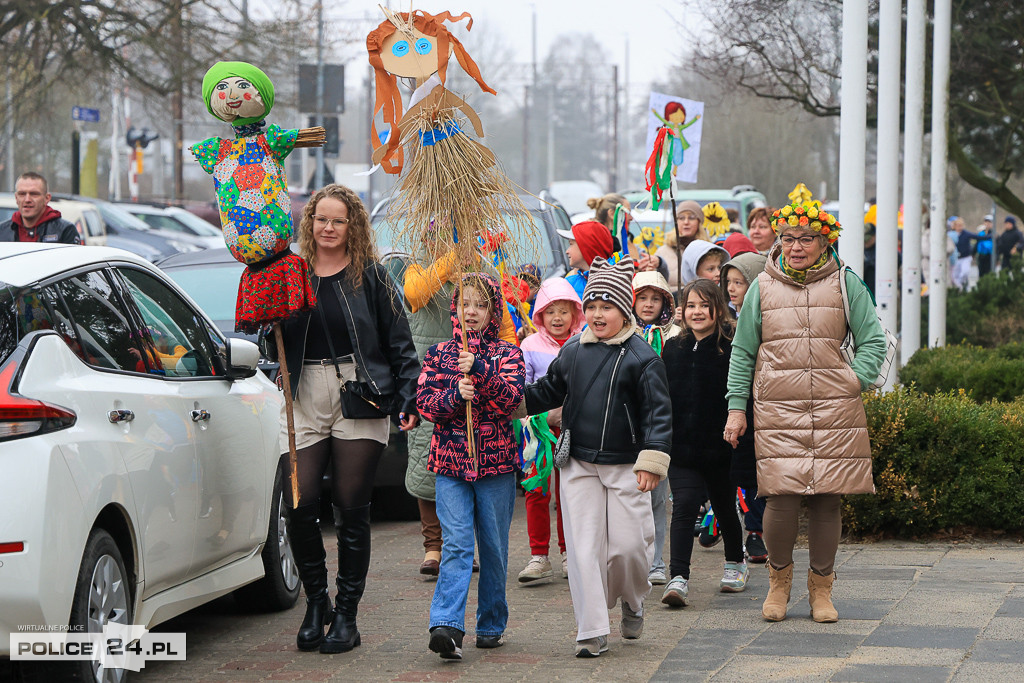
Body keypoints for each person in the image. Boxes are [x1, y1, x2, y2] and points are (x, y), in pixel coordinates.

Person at [269, 184, 421, 654]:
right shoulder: (291, 273)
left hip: (360, 392)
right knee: (299, 502)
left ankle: (347, 615)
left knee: (351, 507)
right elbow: (269, 336)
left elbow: (400, 343)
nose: (329, 228)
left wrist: (408, 397)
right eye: (321, 219)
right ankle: (317, 604)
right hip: (303, 392)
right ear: (309, 223)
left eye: (338, 220)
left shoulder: (371, 276)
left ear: (352, 225)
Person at [724, 199, 886, 623]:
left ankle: (821, 590)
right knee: (780, 497)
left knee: (827, 499)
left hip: (835, 408)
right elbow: (743, 352)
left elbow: (873, 341)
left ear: (824, 241)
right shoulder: (762, 286)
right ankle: (778, 584)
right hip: (778, 409)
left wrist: (854, 380)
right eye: (788, 238)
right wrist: (737, 409)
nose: (796, 247)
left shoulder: (846, 283)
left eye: (806, 238)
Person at [522, 256, 672, 658]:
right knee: (584, 550)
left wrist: (653, 460)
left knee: (628, 548)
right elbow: (546, 391)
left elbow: (658, 415)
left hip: (627, 466)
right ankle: (591, 630)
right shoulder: (573, 350)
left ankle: (633, 600)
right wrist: (501, 397)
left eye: (607, 306)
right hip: (578, 463)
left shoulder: (643, 357)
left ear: (624, 310)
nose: (597, 314)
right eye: (591, 306)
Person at [417, 273, 525, 660]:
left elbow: (511, 399)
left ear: (494, 311)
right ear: (455, 309)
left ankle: (491, 623)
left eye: (481, 304)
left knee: (493, 548)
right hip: (450, 468)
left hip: (496, 468)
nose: (472, 311)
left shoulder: (508, 354)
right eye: (465, 303)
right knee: (457, 544)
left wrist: (479, 370)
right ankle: (446, 625)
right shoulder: (438, 354)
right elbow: (425, 403)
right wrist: (453, 395)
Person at [403, 249, 518, 577]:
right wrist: (451, 259)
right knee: (427, 467)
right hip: (435, 377)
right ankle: (433, 546)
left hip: (480, 384)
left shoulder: (485, 274)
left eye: (478, 305)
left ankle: (465, 546)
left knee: (475, 470)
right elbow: (415, 294)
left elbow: (505, 329)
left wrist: (505, 364)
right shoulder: (419, 268)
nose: (471, 310)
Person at [660, 279, 747, 607]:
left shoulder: (732, 345)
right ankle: (678, 577)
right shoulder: (673, 347)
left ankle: (735, 562)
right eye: (691, 305)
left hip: (722, 445)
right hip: (681, 445)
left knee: (723, 505)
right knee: (683, 506)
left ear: (718, 308)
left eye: (704, 305)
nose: (697, 312)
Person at [516, 278, 585, 583]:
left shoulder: (584, 342)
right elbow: (522, 391)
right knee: (537, 490)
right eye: (550, 311)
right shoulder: (529, 345)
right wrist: (546, 416)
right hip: (537, 431)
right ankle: (539, 556)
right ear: (539, 314)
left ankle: (570, 553)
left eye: (564, 311)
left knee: (570, 492)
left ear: (575, 313)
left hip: (575, 429)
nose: (557, 318)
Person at [632, 270, 682, 587]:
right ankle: (630, 558)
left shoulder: (676, 335)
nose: (648, 304)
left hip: (661, 424)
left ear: (666, 302)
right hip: (628, 424)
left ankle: (656, 561)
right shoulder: (622, 332)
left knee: (657, 497)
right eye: (642, 297)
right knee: (627, 494)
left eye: (656, 298)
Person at [719, 251, 769, 563]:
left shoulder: (767, 319)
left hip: (761, 405)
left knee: (753, 472)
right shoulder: (720, 323)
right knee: (729, 470)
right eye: (729, 282)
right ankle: (715, 515)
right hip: (729, 406)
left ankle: (756, 532)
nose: (732, 288)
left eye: (740, 282)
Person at [0, 172, 81, 244]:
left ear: (47, 198)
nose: (27, 199)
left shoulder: (65, 231)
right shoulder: (2, 231)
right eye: (22, 194)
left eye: (34, 194)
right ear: (16, 198)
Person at [647, 200, 710, 290]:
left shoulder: (707, 250)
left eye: (691, 218)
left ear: (699, 222)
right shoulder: (663, 251)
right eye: (681, 218)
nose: (686, 222)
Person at [558, 220, 616, 301]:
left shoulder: (617, 283)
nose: (567, 251)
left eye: (571, 244)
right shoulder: (568, 284)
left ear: (586, 247)